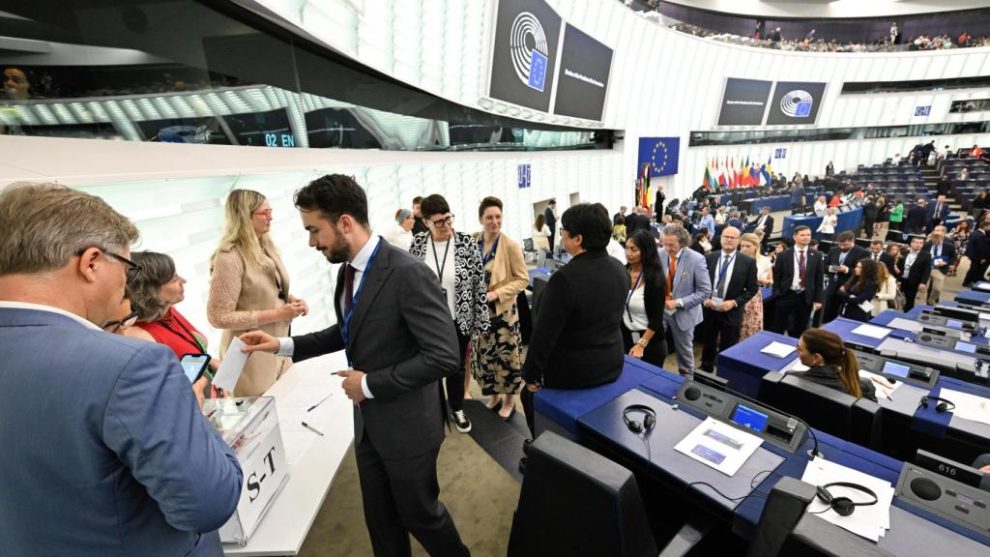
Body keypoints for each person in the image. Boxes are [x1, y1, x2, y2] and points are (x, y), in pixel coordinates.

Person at [0, 183, 241, 556]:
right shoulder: (130, 365)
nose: (127, 283)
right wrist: (192, 416)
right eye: (127, 267)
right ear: (91, 262)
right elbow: (210, 501)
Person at [239, 174, 470, 557]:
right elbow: (349, 330)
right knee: (380, 522)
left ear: (345, 223)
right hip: (369, 427)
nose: (312, 242)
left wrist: (369, 385)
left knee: (420, 516)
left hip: (408, 428)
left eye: (314, 230)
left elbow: (444, 355)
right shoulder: (348, 271)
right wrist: (282, 344)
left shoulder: (407, 273)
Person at [522, 203, 627, 428]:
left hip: (575, 372)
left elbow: (544, 334)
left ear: (578, 239)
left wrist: (530, 374)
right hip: (612, 363)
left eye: (564, 232)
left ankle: (537, 449)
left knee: (526, 396)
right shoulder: (620, 268)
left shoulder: (565, 279)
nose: (561, 237)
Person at [207, 189, 306, 396]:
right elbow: (218, 317)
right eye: (264, 213)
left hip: (277, 347)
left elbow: (265, 288)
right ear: (244, 216)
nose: (271, 217)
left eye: (270, 211)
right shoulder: (229, 257)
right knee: (261, 422)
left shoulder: (265, 246)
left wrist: (291, 301)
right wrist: (278, 314)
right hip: (249, 357)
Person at [409, 194, 490, 434]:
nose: (446, 226)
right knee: (428, 367)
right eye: (439, 222)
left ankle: (457, 407)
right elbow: (411, 285)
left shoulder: (465, 242)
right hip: (428, 322)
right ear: (425, 222)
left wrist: (481, 321)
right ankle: (432, 410)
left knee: (456, 368)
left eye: (448, 219)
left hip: (459, 318)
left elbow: (478, 284)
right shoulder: (418, 244)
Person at [125, 251, 218, 403]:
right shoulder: (138, 335)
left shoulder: (167, 311)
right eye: (174, 279)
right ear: (152, 290)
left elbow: (191, 350)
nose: (183, 281)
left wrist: (211, 361)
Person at [473, 196, 529, 420]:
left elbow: (522, 279)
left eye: (498, 217)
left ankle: (509, 401)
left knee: (506, 359)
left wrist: (497, 293)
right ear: (481, 219)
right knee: (485, 357)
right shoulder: (474, 241)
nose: (495, 221)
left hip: (503, 314)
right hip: (480, 313)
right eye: (489, 217)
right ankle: (493, 395)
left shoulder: (510, 246)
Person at [700, 227, 758, 372]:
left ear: (738, 241)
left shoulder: (748, 262)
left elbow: (752, 289)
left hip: (731, 311)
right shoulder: (709, 258)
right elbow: (700, 283)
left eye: (733, 237)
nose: (729, 240)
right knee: (708, 341)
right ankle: (705, 367)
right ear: (721, 239)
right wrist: (704, 298)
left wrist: (734, 303)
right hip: (710, 308)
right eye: (726, 236)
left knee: (728, 344)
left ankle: (724, 372)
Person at [660, 225, 712, 377]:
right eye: (664, 244)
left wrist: (679, 302)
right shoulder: (659, 254)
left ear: (682, 243)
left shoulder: (696, 259)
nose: (667, 248)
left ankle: (687, 384)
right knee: (657, 347)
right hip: (661, 311)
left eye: (672, 245)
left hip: (683, 313)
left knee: (684, 353)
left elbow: (705, 291)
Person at [621, 230, 667, 368]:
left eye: (633, 249)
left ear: (645, 251)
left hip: (650, 342)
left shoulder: (655, 278)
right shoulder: (622, 272)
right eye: (627, 248)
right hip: (625, 337)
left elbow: (656, 319)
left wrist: (641, 344)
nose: (628, 253)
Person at [795, 329, 877, 402]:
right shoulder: (863, 386)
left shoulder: (792, 378)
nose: (796, 350)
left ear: (817, 358)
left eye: (800, 349)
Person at [771, 226, 824, 338]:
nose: (806, 237)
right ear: (794, 237)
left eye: (808, 235)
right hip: (786, 294)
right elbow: (777, 277)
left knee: (800, 327)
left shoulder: (817, 255)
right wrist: (777, 293)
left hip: (805, 296)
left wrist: (818, 299)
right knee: (778, 326)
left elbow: (819, 279)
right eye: (802, 235)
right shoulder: (783, 255)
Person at [822, 231, 868, 323]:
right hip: (832, 286)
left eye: (845, 245)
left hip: (849, 287)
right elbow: (825, 266)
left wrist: (847, 270)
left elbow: (864, 271)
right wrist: (834, 268)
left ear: (852, 241)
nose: (842, 247)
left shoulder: (862, 252)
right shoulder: (833, 250)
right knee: (828, 311)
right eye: (840, 244)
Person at [739, 233, 771, 339]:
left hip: (753, 298)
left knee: (750, 326)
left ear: (756, 247)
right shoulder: (736, 258)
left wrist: (763, 280)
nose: (744, 249)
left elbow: (770, 280)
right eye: (742, 246)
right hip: (737, 294)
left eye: (748, 246)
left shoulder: (764, 260)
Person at [895, 235, 932, 312]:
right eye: (916, 242)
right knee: (898, 297)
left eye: (921, 243)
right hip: (901, 279)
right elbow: (899, 266)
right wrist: (897, 278)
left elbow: (927, 270)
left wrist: (923, 282)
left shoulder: (926, 255)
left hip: (914, 281)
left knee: (910, 299)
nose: (918, 244)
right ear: (911, 243)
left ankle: (906, 315)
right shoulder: (904, 252)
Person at [925, 228, 955, 304]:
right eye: (934, 237)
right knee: (923, 288)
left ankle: (931, 300)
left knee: (938, 289)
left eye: (938, 237)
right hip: (926, 268)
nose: (936, 239)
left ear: (942, 238)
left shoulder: (949, 246)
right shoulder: (927, 245)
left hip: (939, 269)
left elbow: (953, 257)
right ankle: (922, 303)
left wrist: (946, 262)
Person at [964, 219, 990, 287]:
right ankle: (967, 282)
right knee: (973, 269)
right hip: (976, 255)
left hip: (973, 254)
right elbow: (980, 248)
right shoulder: (980, 235)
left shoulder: (976, 232)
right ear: (985, 226)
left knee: (973, 268)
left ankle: (972, 280)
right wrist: (982, 257)